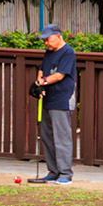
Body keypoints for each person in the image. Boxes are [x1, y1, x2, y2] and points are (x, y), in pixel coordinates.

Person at [32, 26, 78, 184]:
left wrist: (41, 82)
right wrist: (39, 84)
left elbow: (59, 75)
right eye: (44, 40)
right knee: (47, 136)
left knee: (61, 137)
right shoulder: (49, 51)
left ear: (58, 36)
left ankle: (65, 173)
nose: (46, 43)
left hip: (62, 98)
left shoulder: (67, 52)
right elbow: (42, 68)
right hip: (48, 98)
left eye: (48, 39)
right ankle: (53, 172)